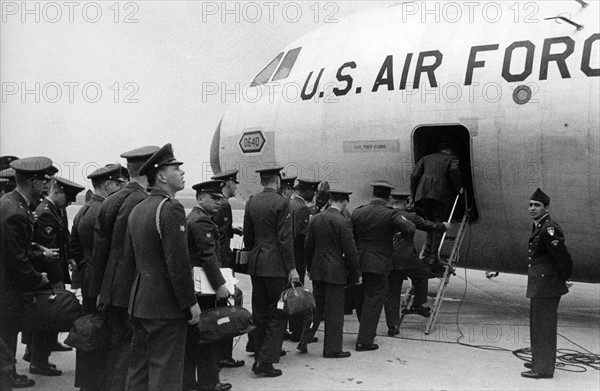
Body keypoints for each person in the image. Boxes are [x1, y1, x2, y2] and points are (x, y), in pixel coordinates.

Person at [124, 144, 200, 391]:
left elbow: (130, 259)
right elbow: (178, 262)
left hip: (139, 303)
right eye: (175, 168)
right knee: (165, 376)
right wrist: (190, 302)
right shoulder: (170, 208)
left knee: (138, 373)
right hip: (165, 308)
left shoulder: (139, 208)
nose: (181, 172)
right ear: (161, 176)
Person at [91, 145, 158, 391]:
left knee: (117, 347)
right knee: (128, 352)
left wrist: (100, 289)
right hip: (131, 289)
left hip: (112, 288)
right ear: (151, 169)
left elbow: (101, 253)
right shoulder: (141, 201)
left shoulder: (111, 200)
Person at [68, 164, 126, 391]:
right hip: (100, 279)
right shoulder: (104, 211)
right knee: (101, 334)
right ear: (109, 184)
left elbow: (74, 247)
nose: (122, 189)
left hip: (87, 276)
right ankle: (98, 384)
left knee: (88, 331)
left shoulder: (84, 209)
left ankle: (86, 383)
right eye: (119, 184)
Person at [0, 157, 53, 388]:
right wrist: (37, 278)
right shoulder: (15, 212)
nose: (46, 184)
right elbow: (15, 258)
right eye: (43, 179)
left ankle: (8, 374)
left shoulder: (9, 203)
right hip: (7, 288)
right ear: (33, 181)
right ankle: (6, 377)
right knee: (6, 336)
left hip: (7, 285)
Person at [243, 166, 299, 377]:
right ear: (277, 181)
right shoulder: (282, 202)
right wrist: (292, 268)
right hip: (275, 266)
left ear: (262, 181)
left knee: (260, 314)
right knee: (278, 313)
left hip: (256, 265)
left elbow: (248, 238)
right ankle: (265, 362)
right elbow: (285, 240)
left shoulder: (251, 201)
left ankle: (259, 355)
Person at [29, 177, 84, 377]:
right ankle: (38, 362)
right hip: (50, 276)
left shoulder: (53, 211)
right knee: (48, 319)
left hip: (54, 274)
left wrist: (68, 258)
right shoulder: (46, 214)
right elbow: (49, 251)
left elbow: (61, 241)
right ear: (57, 192)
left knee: (48, 319)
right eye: (67, 198)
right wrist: (57, 281)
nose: (69, 203)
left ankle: (40, 359)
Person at [300, 189, 361, 358]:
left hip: (318, 270)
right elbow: (350, 251)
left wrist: (310, 267)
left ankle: (304, 340)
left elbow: (308, 246)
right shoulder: (343, 221)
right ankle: (332, 349)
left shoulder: (316, 218)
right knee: (334, 312)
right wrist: (356, 273)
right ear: (344, 202)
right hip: (335, 272)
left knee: (316, 308)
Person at [351, 180, 411, 351]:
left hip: (359, 261)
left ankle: (366, 330)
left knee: (361, 299)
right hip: (379, 262)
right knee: (374, 300)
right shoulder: (390, 214)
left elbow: (351, 236)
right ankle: (365, 340)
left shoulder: (357, 212)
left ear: (373, 194)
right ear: (388, 197)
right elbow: (409, 227)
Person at [184, 180, 233, 391]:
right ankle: (209, 382)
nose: (218, 202)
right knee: (208, 334)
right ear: (200, 198)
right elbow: (208, 258)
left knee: (194, 337)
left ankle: (189, 382)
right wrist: (221, 285)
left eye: (220, 198)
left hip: (196, 286)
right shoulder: (202, 222)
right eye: (213, 198)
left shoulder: (193, 218)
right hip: (204, 287)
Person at [521, 188, 573, 379]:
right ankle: (539, 360)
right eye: (531, 205)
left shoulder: (549, 228)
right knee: (537, 325)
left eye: (537, 205)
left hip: (547, 285)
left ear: (547, 208)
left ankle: (543, 369)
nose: (532, 208)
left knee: (544, 328)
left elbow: (563, 258)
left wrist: (562, 279)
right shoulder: (539, 226)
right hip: (540, 284)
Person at [384, 193, 450, 336]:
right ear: (405, 202)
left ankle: (392, 326)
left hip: (389, 260)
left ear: (391, 201)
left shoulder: (385, 214)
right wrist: (444, 226)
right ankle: (417, 304)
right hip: (408, 260)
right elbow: (429, 226)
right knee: (422, 275)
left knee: (392, 294)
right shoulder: (411, 216)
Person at [209, 170, 245, 369]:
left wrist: (233, 230)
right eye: (234, 183)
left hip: (220, 264)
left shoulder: (219, 204)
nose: (236, 187)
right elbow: (219, 241)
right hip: (222, 266)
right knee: (227, 309)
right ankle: (223, 355)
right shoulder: (223, 204)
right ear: (228, 183)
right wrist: (224, 274)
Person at [410, 142, 462, 268]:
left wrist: (414, 194)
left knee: (429, 223)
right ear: (449, 150)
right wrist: (458, 188)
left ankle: (427, 253)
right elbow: (454, 170)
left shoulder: (426, 158)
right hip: (440, 195)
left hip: (422, 194)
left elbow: (414, 175)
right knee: (439, 223)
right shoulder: (452, 159)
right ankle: (434, 257)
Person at [288, 178, 320, 342]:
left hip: (287, 256)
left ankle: (288, 329)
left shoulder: (289, 203)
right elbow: (301, 236)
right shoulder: (301, 208)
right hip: (297, 257)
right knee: (297, 294)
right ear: (308, 191)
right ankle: (297, 331)